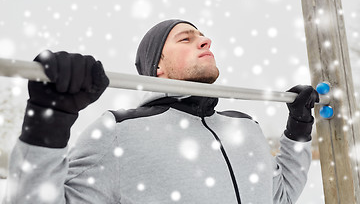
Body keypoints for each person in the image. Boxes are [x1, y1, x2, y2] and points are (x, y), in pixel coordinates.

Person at [3, 19, 319, 204]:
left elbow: (280, 195)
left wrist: (299, 129)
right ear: (158, 68)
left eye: (203, 36)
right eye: (186, 38)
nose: (206, 40)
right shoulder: (119, 131)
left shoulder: (245, 127)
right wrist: (48, 125)